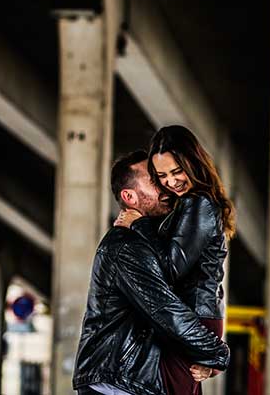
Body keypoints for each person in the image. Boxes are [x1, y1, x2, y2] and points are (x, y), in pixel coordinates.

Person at [73, 150, 230, 395]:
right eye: (154, 182)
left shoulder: (153, 241)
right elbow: (166, 310)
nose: (166, 187)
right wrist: (218, 352)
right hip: (118, 381)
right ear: (129, 197)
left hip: (131, 379)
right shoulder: (126, 245)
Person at [117, 126, 235, 395]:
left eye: (176, 171)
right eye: (162, 175)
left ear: (192, 162)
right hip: (192, 319)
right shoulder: (188, 204)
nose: (171, 181)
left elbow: (170, 269)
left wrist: (140, 225)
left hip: (191, 320)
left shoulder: (199, 204)